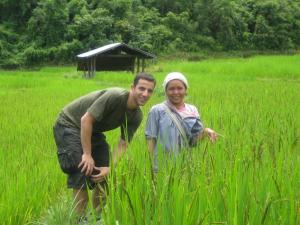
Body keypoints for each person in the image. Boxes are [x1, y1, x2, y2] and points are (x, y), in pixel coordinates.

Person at [53, 72, 156, 217]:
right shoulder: (116, 96)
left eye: (149, 91)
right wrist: (87, 154)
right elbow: (85, 120)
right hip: (69, 123)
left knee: (106, 173)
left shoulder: (136, 115)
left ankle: (95, 217)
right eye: (141, 89)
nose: (145, 94)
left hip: (92, 130)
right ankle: (78, 219)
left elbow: (123, 143)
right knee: (82, 167)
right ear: (132, 88)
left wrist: (109, 168)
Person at [145, 72, 217, 171]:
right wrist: (151, 166)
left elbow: (192, 142)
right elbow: (150, 139)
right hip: (161, 167)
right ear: (165, 91)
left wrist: (205, 132)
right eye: (171, 89)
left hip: (185, 165)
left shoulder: (192, 110)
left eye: (179, 88)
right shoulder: (157, 110)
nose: (176, 92)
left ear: (185, 90)